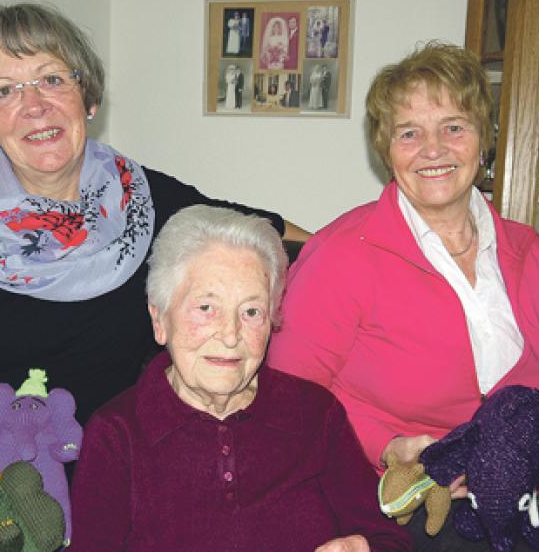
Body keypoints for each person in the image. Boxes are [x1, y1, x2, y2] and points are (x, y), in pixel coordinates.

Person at [0, 3, 308, 551]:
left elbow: (261, 232)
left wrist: (378, 240)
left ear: (88, 97)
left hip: (111, 497)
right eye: (4, 90)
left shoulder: (147, 203)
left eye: (51, 78)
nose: (32, 105)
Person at [267, 41, 539, 550]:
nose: (433, 148)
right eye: (409, 133)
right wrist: (389, 445)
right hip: (410, 505)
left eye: (454, 126)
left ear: (482, 140)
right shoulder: (343, 254)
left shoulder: (529, 252)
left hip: (531, 497)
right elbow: (288, 398)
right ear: (386, 151)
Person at [68, 205, 412, 551]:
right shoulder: (117, 434)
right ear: (159, 320)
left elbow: (391, 540)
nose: (230, 335)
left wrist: (363, 548)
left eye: (251, 312)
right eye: (206, 308)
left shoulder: (315, 413)